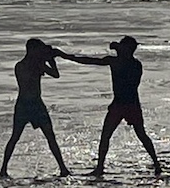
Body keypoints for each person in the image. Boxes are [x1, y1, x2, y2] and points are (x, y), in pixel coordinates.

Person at [55, 36, 161, 176]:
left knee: (137, 134)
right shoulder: (124, 62)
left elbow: (127, 79)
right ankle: (101, 167)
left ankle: (156, 163)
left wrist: (118, 50)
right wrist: (66, 56)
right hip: (126, 104)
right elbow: (89, 60)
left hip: (125, 104)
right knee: (110, 135)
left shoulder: (129, 64)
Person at [0, 38, 70, 178]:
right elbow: (54, 74)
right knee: (16, 137)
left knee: (50, 136)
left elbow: (56, 75)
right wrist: (48, 59)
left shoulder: (26, 65)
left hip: (30, 104)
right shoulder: (23, 66)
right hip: (29, 104)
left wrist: (49, 60)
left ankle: (63, 168)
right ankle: (3, 169)